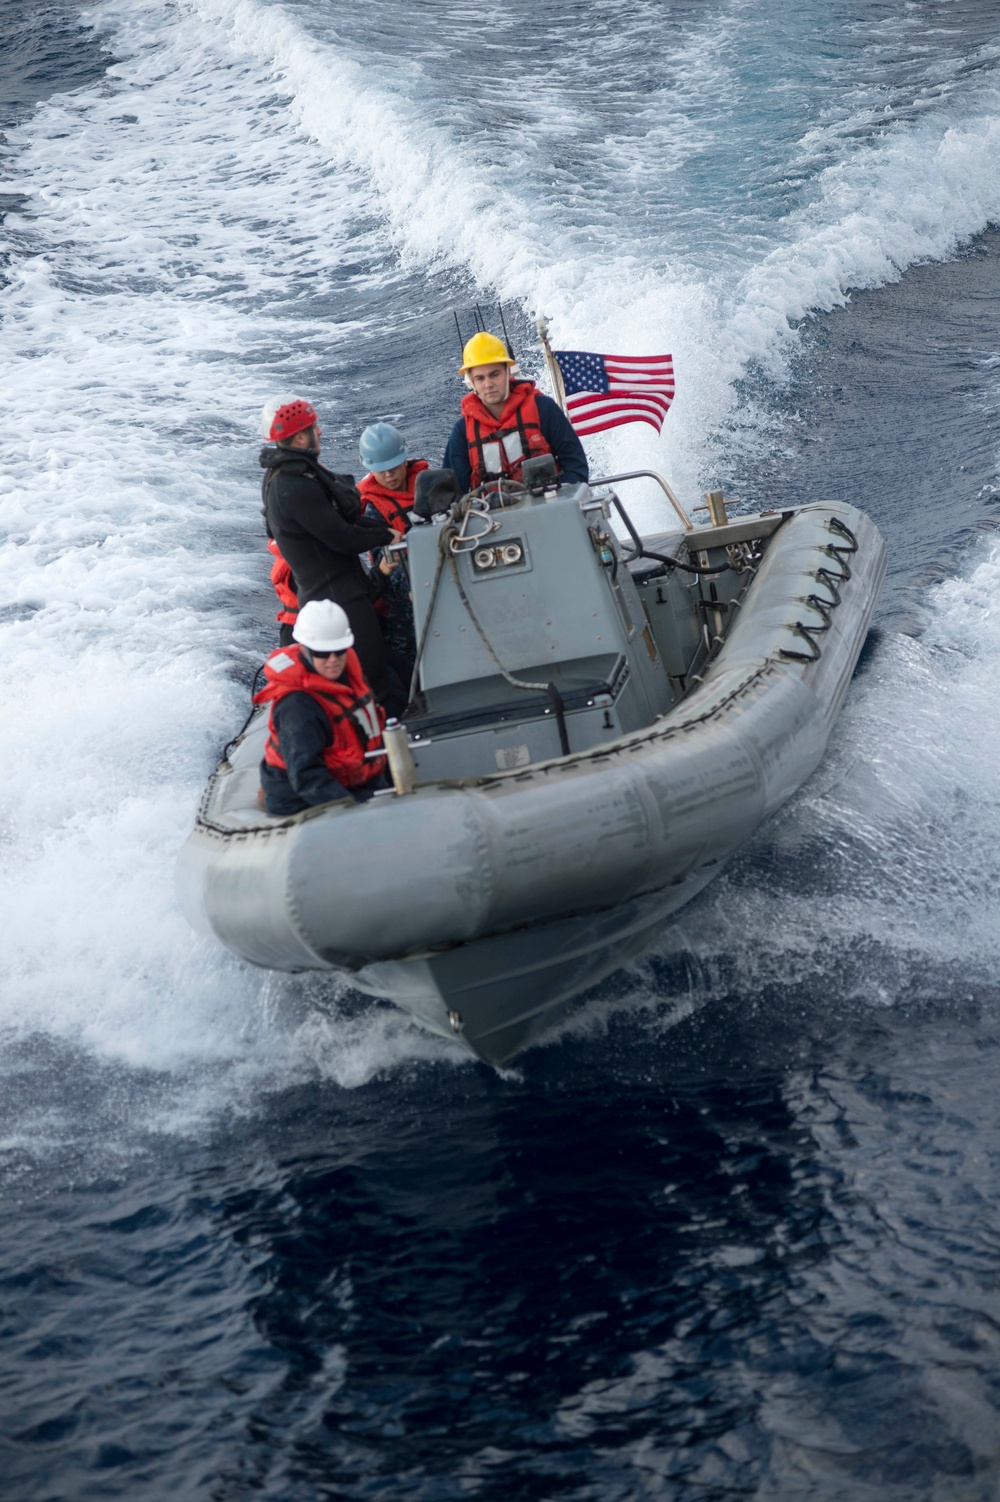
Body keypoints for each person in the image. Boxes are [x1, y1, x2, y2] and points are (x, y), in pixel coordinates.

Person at [259, 396, 396, 702]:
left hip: (341, 592)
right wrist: (387, 537)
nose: (319, 432)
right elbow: (343, 538)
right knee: (374, 686)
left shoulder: (293, 476)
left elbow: (347, 523)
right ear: (299, 437)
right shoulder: (293, 487)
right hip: (338, 600)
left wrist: (389, 531)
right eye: (313, 427)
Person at [254, 599, 387, 817]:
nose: (333, 660)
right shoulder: (297, 706)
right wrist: (352, 810)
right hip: (301, 796)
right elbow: (306, 776)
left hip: (350, 778)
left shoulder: (346, 672)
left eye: (339, 650)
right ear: (305, 650)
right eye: (323, 653)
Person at [442, 332, 589, 493]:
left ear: (508, 371)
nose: (488, 384)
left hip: (551, 510)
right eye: (480, 378)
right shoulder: (463, 432)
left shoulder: (543, 408)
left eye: (494, 374)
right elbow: (453, 493)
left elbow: (575, 466)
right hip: (491, 516)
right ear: (471, 381)